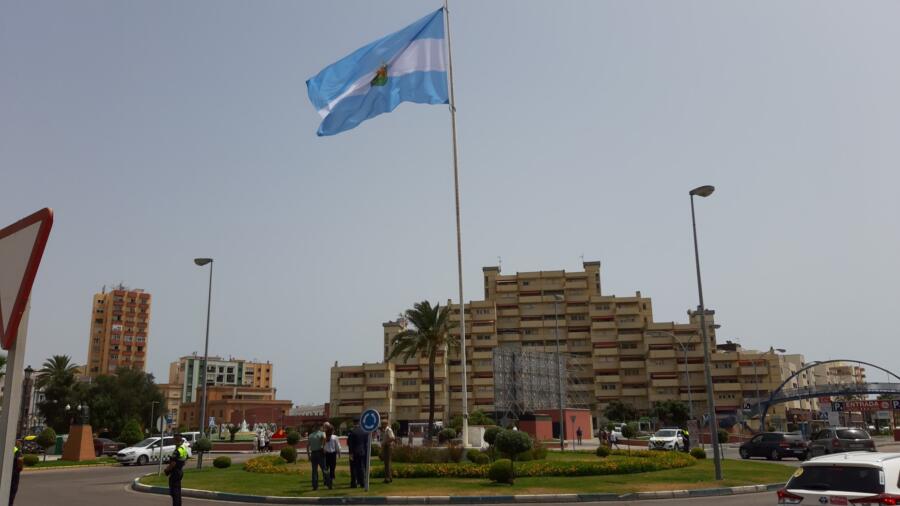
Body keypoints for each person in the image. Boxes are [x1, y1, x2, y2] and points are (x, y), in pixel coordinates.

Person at [164, 434, 189, 506]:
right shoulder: (183, 448)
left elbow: (173, 463)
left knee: (174, 492)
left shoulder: (177, 450)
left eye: (174, 439)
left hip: (175, 472)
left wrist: (167, 470)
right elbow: (185, 459)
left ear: (176, 440)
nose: (173, 440)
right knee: (178, 491)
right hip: (180, 471)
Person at [346, 419, 368, 488]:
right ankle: (362, 482)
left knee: (353, 468)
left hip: (354, 452)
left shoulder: (352, 432)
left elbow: (350, 443)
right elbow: (366, 442)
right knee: (361, 467)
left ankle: (354, 483)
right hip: (362, 452)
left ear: (353, 423)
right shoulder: (364, 431)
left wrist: (351, 453)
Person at [306, 424, 328, 490]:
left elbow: (307, 446)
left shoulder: (310, 435)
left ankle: (315, 486)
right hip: (320, 452)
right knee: (324, 469)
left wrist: (308, 455)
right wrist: (323, 446)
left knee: (314, 471)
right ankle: (328, 482)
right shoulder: (322, 433)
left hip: (313, 453)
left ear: (314, 428)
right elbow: (324, 438)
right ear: (319, 428)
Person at [323, 422, 341, 488]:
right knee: (332, 468)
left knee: (326, 468)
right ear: (333, 430)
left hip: (326, 454)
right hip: (333, 454)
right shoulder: (335, 437)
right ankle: (332, 480)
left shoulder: (325, 437)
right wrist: (339, 453)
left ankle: (325, 481)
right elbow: (337, 446)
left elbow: (323, 446)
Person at [9, 439, 23, 505]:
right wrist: (19, 468)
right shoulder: (17, 451)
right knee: (11, 494)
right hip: (14, 475)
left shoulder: (7, 448)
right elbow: (20, 460)